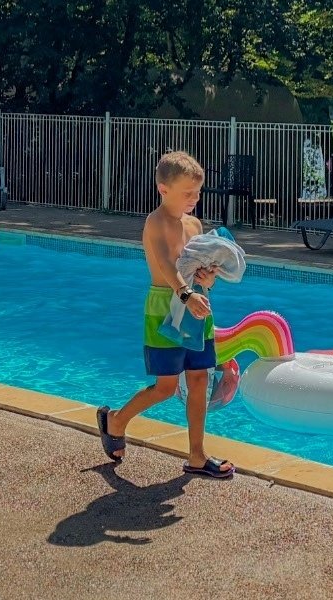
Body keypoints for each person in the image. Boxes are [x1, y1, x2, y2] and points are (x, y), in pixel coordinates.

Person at [96, 151, 235, 480]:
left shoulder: (194, 224)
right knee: (165, 386)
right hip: (165, 306)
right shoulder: (155, 222)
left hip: (196, 306)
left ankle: (197, 456)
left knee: (200, 378)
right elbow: (165, 265)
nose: (195, 198)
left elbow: (198, 269)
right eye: (188, 193)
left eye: (198, 192)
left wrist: (207, 281)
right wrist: (186, 294)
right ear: (163, 189)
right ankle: (115, 421)